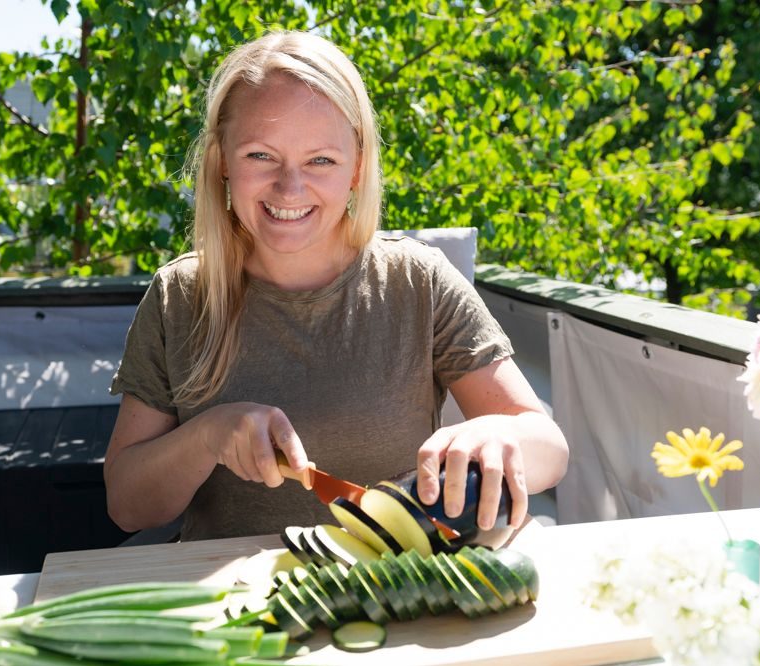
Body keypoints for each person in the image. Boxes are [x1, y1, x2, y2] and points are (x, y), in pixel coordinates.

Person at [104, 30, 569, 542]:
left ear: (357, 168)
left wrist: (501, 434)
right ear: (221, 164)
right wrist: (206, 436)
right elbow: (128, 507)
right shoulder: (178, 296)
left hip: (395, 592)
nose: (290, 187)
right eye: (261, 155)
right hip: (230, 606)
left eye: (320, 160)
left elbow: (549, 447)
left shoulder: (419, 281)